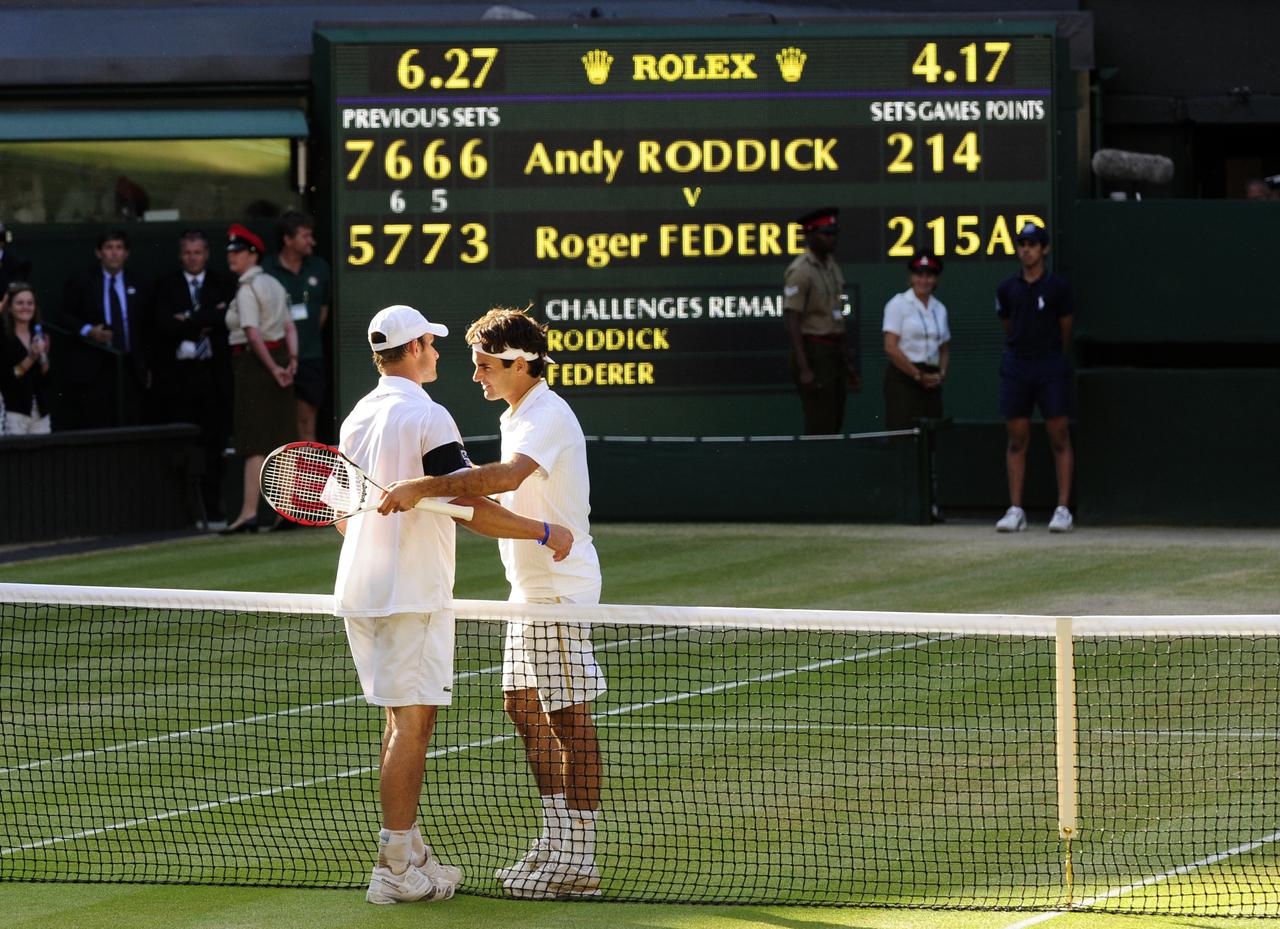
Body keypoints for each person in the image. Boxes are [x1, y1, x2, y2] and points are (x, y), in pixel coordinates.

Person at [333, 303, 573, 905]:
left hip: (360, 590)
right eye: (432, 346)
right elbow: (472, 507)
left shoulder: (357, 417)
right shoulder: (428, 415)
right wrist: (543, 532)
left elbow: (341, 517)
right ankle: (393, 869)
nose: (439, 355)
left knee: (398, 720)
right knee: (413, 725)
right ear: (413, 350)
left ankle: (412, 853)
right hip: (412, 592)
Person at [149, 230, 239, 524]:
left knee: (215, 450)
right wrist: (207, 318)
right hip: (179, 386)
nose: (193, 258)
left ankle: (214, 511)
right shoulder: (166, 286)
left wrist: (189, 319)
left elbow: (226, 322)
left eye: (197, 252)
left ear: (206, 254)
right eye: (187, 253)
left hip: (215, 383)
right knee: (182, 450)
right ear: (180, 255)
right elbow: (163, 326)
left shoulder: (223, 284)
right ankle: (185, 515)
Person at [994, 221, 1075, 533]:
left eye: (1032, 244)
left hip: (1050, 365)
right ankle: (1016, 510)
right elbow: (1008, 326)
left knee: (1059, 434)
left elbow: (1065, 327)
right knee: (1017, 437)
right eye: (1022, 244)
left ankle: (1063, 509)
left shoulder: (1058, 288)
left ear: (1044, 249)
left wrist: (1053, 355)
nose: (1025, 250)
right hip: (1017, 366)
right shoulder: (1006, 289)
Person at [221, 223, 297, 534]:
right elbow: (290, 328)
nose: (232, 257)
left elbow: (252, 333)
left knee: (255, 442)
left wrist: (274, 367)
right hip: (277, 360)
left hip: (256, 365)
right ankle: (287, 511)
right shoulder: (275, 284)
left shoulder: (248, 288)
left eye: (238, 252)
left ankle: (249, 513)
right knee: (281, 437)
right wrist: (290, 362)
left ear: (253, 255)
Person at [57, 228, 149, 429]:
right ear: (99, 252)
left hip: (130, 368)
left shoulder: (140, 282)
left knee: (131, 424)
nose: (114, 253)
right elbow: (64, 316)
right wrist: (89, 331)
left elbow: (146, 325)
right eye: (109, 247)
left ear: (126, 253)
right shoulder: (83, 281)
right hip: (96, 367)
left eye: (119, 248)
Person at [783, 207, 860, 434]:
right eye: (826, 233)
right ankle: (817, 467)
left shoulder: (831, 266)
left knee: (835, 417)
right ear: (810, 234)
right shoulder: (800, 270)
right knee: (819, 421)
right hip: (814, 351)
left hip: (834, 351)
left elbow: (835, 314)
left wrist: (847, 363)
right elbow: (792, 320)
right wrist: (805, 368)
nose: (832, 238)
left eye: (834, 233)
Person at [263, 210, 331, 442]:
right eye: (305, 236)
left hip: (310, 355)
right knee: (278, 421)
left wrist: (305, 339)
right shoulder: (267, 269)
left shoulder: (319, 267)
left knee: (306, 419)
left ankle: (309, 475)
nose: (311, 241)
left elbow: (323, 309)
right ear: (288, 239)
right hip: (275, 356)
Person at [882, 253, 950, 430]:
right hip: (904, 378)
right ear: (911, 278)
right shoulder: (898, 303)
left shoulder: (940, 308)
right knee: (903, 435)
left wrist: (941, 374)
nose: (924, 280)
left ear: (935, 280)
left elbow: (944, 349)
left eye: (929, 276)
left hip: (931, 380)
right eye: (919, 275)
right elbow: (890, 347)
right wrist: (917, 375)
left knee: (932, 435)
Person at [0, 282, 52, 434]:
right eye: (20, 303)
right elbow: (8, 378)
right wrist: (31, 356)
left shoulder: (40, 336)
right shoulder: (3, 338)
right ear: (9, 307)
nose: (26, 307)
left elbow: (47, 380)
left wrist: (44, 357)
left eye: (30, 303)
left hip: (40, 413)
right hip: (14, 412)